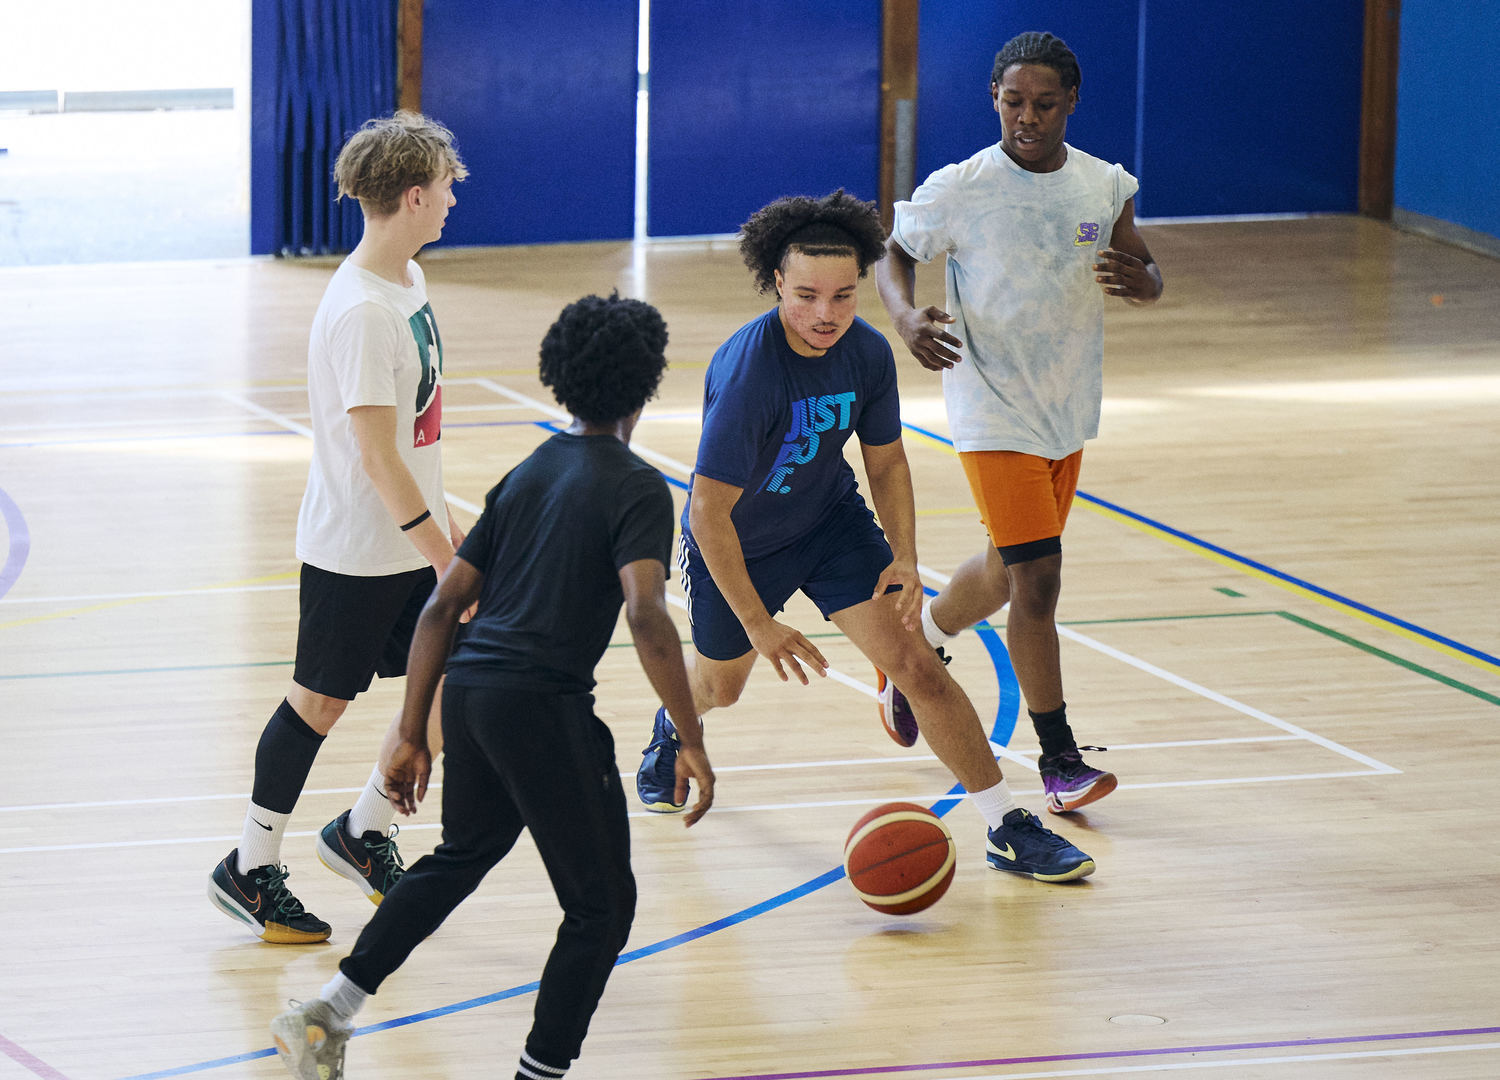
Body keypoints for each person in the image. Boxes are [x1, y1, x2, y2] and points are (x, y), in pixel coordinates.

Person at [270, 293, 715, 1080]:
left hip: (470, 692)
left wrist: (414, 731)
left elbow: (443, 605)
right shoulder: (639, 487)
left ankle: (328, 1012)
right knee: (602, 908)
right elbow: (648, 615)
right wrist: (691, 735)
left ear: (560, 379)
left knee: (465, 852)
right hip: (539, 704)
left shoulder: (530, 470)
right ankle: (537, 1073)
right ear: (647, 388)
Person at [635, 189, 1093, 884]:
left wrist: (905, 556)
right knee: (720, 689)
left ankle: (1004, 824)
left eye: (845, 296)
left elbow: (885, 461)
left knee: (917, 664)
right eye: (808, 296)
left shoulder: (869, 355)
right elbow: (706, 514)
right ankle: (673, 725)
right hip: (738, 545)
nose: (827, 314)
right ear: (777, 284)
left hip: (829, 525)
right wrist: (759, 625)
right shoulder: (750, 373)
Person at [874, 32, 1164, 814]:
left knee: (1009, 571)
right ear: (994, 101)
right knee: (1040, 579)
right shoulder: (963, 185)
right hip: (989, 404)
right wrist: (903, 317)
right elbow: (891, 252)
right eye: (1013, 103)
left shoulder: (1103, 186)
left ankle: (918, 643)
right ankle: (1061, 761)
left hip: (1066, 407)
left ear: (1071, 103)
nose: (1027, 118)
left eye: (1043, 104)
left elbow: (1144, 268)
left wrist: (1146, 282)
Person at [209, 111, 471, 943]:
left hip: (410, 540)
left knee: (452, 678)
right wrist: (444, 558)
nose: (455, 202)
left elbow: (414, 440)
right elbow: (374, 457)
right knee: (318, 701)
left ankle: (364, 830)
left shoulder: (408, 284)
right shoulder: (363, 310)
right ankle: (249, 866)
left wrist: (451, 534)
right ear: (416, 195)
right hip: (358, 551)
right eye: (448, 190)